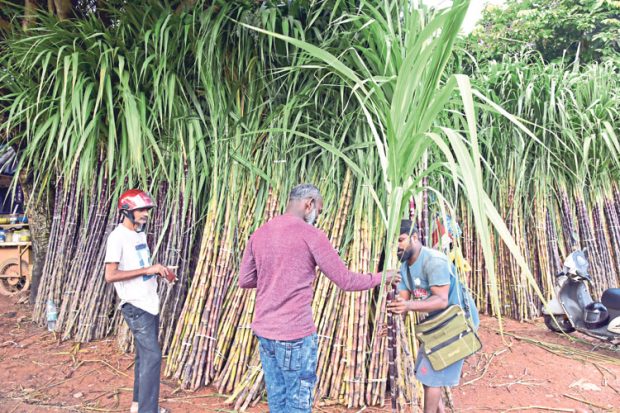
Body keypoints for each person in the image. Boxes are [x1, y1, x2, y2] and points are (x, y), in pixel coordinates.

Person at [238, 183, 400, 413]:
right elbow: (345, 280)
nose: (318, 217)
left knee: (277, 398)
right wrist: (382, 277)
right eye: (319, 211)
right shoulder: (311, 235)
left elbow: (245, 280)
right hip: (294, 334)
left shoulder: (260, 233)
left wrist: (275, 277)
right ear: (309, 204)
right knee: (298, 402)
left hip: (265, 333)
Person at [387, 219, 479, 413]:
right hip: (438, 325)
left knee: (431, 375)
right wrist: (391, 325)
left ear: (414, 237)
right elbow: (402, 303)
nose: (397, 246)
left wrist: (409, 305)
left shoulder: (433, 261)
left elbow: (441, 300)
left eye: (401, 240)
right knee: (425, 373)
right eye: (393, 242)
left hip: (458, 323)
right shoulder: (404, 268)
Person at [104, 189, 173, 413]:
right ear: (126, 211)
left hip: (148, 301)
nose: (145, 214)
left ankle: (138, 405)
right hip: (135, 305)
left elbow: (142, 267)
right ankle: (147, 410)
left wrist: (160, 271)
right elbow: (110, 275)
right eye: (140, 210)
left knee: (145, 355)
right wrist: (148, 269)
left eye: (146, 210)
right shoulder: (117, 237)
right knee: (152, 355)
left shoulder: (139, 235)